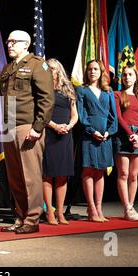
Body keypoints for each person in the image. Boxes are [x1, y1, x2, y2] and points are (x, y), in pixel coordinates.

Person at [0, 30, 54, 234]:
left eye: (13, 41)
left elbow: (47, 99)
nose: (9, 44)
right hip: (9, 127)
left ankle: (33, 220)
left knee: (31, 176)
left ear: (25, 44)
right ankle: (20, 218)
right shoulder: (9, 68)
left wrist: (38, 128)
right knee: (16, 178)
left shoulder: (38, 65)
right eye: (8, 41)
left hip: (27, 126)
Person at [76, 60, 118, 222]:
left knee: (100, 172)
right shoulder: (81, 90)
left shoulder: (108, 92)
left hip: (105, 137)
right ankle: (91, 208)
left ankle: (99, 208)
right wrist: (92, 131)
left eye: (95, 69)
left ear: (101, 72)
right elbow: (81, 114)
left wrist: (108, 132)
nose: (92, 72)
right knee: (88, 171)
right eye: (89, 69)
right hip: (89, 136)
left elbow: (113, 117)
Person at [42, 58, 78, 225]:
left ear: (60, 71)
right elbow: (40, 114)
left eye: (54, 69)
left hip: (65, 135)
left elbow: (75, 114)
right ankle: (49, 211)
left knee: (62, 174)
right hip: (49, 133)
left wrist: (68, 126)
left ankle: (61, 212)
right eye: (48, 68)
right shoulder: (42, 88)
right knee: (48, 174)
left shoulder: (68, 89)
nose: (51, 71)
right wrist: (55, 126)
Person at [114, 66, 138, 221]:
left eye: (130, 74)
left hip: (137, 137)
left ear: (135, 77)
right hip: (123, 135)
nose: (127, 77)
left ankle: (131, 208)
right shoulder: (117, 95)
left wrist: (137, 136)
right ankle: (126, 207)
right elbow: (119, 117)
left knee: (134, 175)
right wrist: (130, 134)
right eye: (124, 75)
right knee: (124, 174)